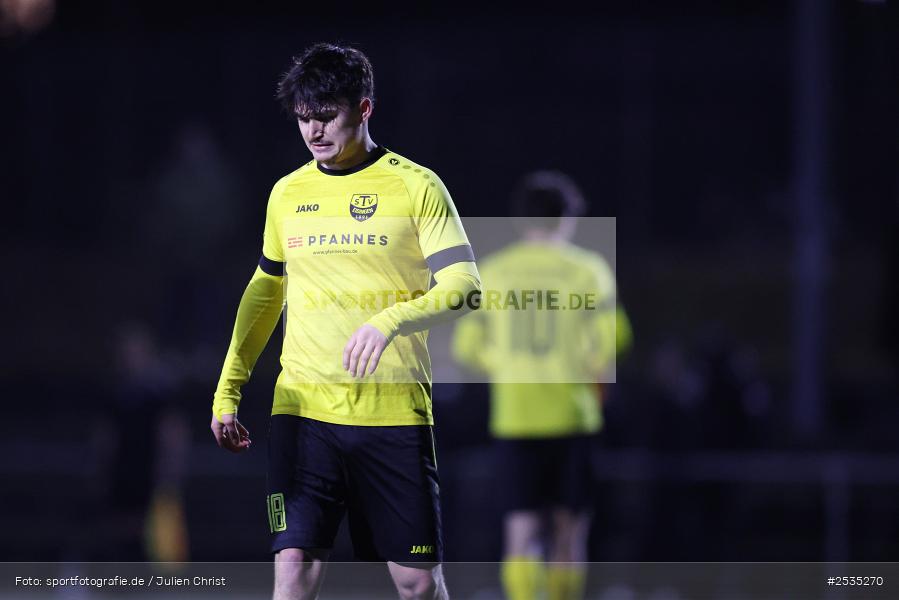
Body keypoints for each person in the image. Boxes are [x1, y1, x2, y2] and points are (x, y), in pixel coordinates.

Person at [210, 43, 480, 600]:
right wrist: (227, 391)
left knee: (417, 584)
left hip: (392, 412)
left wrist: (390, 322)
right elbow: (265, 294)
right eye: (304, 118)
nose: (313, 130)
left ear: (364, 108)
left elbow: (464, 289)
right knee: (294, 569)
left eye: (326, 114)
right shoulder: (287, 193)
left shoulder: (417, 186)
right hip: (304, 412)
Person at [451, 171, 630, 600]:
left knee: (520, 530)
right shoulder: (589, 270)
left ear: (521, 219)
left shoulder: (494, 271)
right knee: (570, 532)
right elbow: (614, 340)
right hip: (573, 414)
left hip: (516, 416)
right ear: (567, 218)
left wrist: (508, 366)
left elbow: (466, 346)